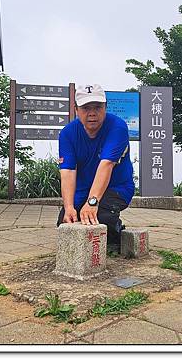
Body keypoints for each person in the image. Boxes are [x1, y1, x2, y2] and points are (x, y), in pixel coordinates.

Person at [57, 84, 135, 253]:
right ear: (76, 109)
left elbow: (106, 164)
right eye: (86, 108)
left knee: (100, 216)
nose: (92, 113)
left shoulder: (117, 127)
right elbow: (68, 171)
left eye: (98, 107)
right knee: (65, 222)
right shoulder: (67, 133)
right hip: (84, 189)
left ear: (106, 107)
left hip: (118, 188)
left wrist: (92, 203)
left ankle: (116, 233)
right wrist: (69, 206)